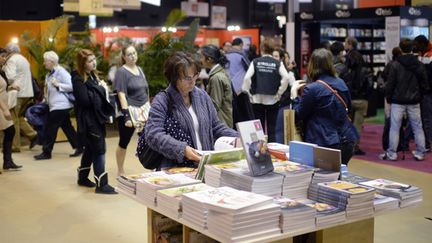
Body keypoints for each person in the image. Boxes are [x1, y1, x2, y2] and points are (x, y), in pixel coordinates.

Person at [144, 51, 238, 169]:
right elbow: (153, 134)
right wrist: (182, 149)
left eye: (195, 75)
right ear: (174, 78)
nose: (193, 81)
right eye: (187, 78)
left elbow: (216, 126)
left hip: (204, 165)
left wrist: (239, 136)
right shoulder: (162, 100)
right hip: (175, 169)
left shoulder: (202, 96)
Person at [291, 48, 358, 165]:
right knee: (338, 177)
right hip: (347, 138)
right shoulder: (341, 83)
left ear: (312, 64)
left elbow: (299, 114)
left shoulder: (312, 89)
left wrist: (294, 96)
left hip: (324, 141)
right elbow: (348, 107)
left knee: (322, 178)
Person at [72, 49, 117, 194]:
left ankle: (82, 178)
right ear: (83, 64)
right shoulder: (78, 77)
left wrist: (99, 88)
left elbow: (91, 96)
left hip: (95, 118)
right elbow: (84, 100)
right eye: (90, 61)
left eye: (94, 60)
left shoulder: (92, 76)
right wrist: (101, 89)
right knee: (99, 149)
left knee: (91, 149)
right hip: (88, 120)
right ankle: (102, 185)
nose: (94, 63)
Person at [380, 39, 429, 161]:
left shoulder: (395, 64)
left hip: (398, 100)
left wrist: (389, 97)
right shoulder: (419, 64)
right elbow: (424, 83)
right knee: (418, 127)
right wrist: (420, 95)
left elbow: (391, 83)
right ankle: (420, 152)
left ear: (400, 49)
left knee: (395, 127)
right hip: (414, 101)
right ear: (412, 48)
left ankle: (392, 153)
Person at [33, 51, 81, 160]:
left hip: (60, 105)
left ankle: (47, 152)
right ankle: (79, 146)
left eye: (45, 61)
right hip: (55, 105)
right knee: (67, 127)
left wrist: (58, 85)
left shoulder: (61, 72)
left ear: (51, 61)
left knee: (50, 128)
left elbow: (73, 86)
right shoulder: (49, 74)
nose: (44, 63)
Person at [242, 38, 291, 142]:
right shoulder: (278, 63)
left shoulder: (255, 62)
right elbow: (286, 77)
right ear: (273, 50)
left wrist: (248, 92)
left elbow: (247, 78)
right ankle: (272, 154)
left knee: (258, 129)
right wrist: (279, 92)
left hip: (256, 99)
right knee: (271, 129)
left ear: (262, 49)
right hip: (273, 99)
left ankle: (259, 154)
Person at [114, 45, 149, 176]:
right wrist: (127, 116)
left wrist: (149, 108)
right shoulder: (122, 72)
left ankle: (151, 166)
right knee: (124, 142)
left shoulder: (139, 69)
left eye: (134, 53)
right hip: (130, 111)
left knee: (148, 139)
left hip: (144, 110)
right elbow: (121, 94)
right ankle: (120, 170)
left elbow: (145, 91)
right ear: (124, 57)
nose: (133, 56)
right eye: (129, 54)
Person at [1, 43, 37, 152]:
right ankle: (33, 135)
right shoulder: (24, 59)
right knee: (19, 117)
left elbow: (10, 77)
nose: (5, 55)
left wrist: (3, 72)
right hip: (28, 93)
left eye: (6, 52)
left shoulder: (12, 60)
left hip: (17, 93)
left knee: (13, 119)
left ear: (9, 51)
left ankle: (15, 146)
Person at [339, 50, 373, 155]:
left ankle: (345, 144)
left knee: (347, 124)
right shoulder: (365, 70)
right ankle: (355, 146)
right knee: (357, 125)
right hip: (361, 100)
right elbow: (369, 86)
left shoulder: (344, 71)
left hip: (348, 100)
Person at [200, 45, 234, 128]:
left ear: (209, 59)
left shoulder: (216, 77)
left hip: (221, 123)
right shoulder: (220, 73)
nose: (200, 60)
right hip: (223, 122)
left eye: (202, 57)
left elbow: (214, 105)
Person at [0, 48, 22, 171]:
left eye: (5, 56)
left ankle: (8, 162)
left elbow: (2, 88)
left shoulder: (1, 71)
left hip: (3, 106)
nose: (4, 59)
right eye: (2, 56)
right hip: (1, 107)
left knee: (10, 131)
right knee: (10, 131)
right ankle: (7, 162)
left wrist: (11, 87)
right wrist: (5, 110)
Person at [225, 38, 254, 124]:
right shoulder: (242, 56)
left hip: (228, 89)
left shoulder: (225, 56)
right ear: (241, 45)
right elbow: (249, 70)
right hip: (241, 91)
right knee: (245, 117)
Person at [414, 35, 432, 152]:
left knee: (426, 119)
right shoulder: (423, 54)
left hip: (428, 92)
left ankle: (428, 143)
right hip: (424, 91)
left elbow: (427, 76)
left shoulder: (429, 56)